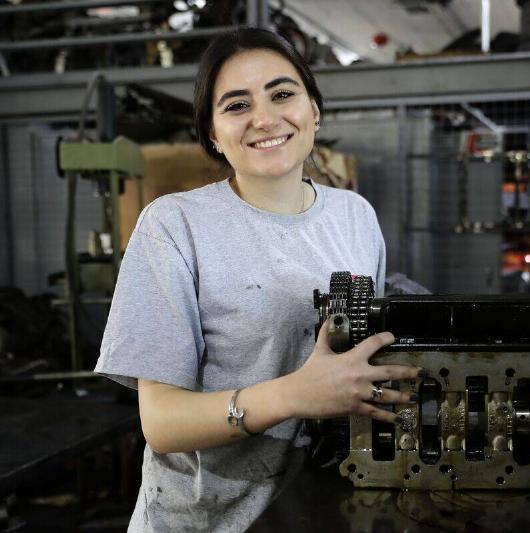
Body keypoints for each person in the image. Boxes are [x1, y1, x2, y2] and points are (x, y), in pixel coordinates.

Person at [94, 27, 420, 531]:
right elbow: (160, 424)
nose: (265, 119)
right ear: (212, 134)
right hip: (207, 521)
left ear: (315, 110)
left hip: (322, 509)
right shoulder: (175, 225)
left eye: (282, 94)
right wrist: (296, 395)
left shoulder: (355, 216)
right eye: (236, 105)